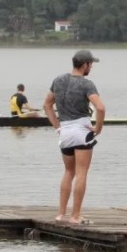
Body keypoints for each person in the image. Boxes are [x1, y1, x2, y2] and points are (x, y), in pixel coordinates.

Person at [44, 50, 106, 225]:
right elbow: (100, 108)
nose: (91, 67)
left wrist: (57, 127)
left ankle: (61, 214)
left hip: (65, 131)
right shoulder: (87, 85)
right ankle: (75, 215)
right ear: (85, 64)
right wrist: (98, 128)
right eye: (91, 64)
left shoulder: (58, 80)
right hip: (81, 130)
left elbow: (47, 105)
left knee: (68, 172)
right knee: (81, 173)